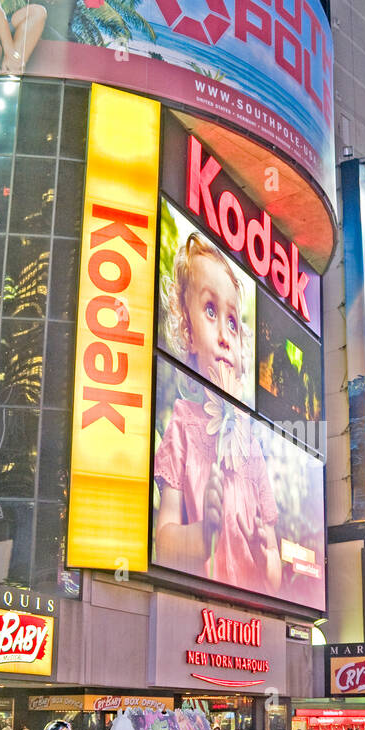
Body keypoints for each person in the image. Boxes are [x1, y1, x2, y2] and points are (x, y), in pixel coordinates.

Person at [155, 232, 281, 595]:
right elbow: (163, 543)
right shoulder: (182, 424)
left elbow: (272, 567)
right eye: (210, 311)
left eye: (233, 322)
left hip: (245, 614)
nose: (226, 336)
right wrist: (202, 535)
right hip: (191, 605)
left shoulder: (252, 446)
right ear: (187, 331)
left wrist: (265, 555)